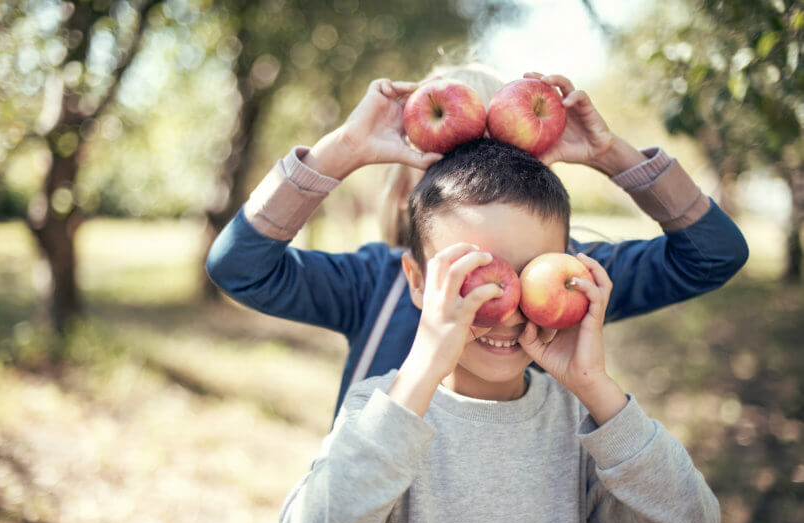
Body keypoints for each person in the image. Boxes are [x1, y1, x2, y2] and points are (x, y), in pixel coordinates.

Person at [204, 66, 749, 417]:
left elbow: (714, 255)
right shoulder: (377, 282)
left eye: (504, 163)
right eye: (452, 166)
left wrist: (614, 156)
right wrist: (341, 149)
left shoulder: (572, 275)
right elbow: (239, 268)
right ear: (405, 189)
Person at [277, 138, 721, 523]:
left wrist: (596, 387)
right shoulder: (380, 411)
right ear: (418, 282)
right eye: (473, 278)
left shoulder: (582, 423)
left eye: (530, 274)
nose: (506, 311)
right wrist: (421, 371)